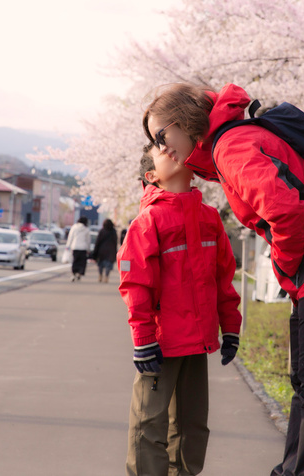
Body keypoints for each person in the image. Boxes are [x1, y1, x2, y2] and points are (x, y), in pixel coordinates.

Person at [143, 83, 304, 476]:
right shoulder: (230, 141)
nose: (160, 147)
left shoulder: (230, 147)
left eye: (161, 135)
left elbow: (284, 212)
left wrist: (285, 267)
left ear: (184, 121)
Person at [117, 143, 242, 476]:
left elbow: (223, 278)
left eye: (174, 146)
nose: (172, 151)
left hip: (197, 343)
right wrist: (143, 340)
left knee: (193, 426)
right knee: (149, 424)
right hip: (161, 345)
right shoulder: (148, 222)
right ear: (152, 176)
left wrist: (230, 327)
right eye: (162, 151)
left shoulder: (209, 217)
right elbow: (136, 285)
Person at [92, 218, 118, 283]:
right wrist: (115, 252)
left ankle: (100, 275)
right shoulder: (113, 231)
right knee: (108, 265)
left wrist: (95, 251)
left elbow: (97, 242)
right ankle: (106, 276)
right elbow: (115, 242)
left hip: (101, 250)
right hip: (110, 250)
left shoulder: (102, 231)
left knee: (101, 264)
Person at [65, 216, 90, 282]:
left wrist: (68, 246)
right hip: (83, 248)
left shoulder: (74, 227)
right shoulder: (86, 229)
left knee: (75, 261)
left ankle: (74, 274)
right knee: (82, 262)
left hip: (75, 247)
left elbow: (70, 237)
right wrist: (88, 249)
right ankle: (79, 273)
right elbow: (88, 240)